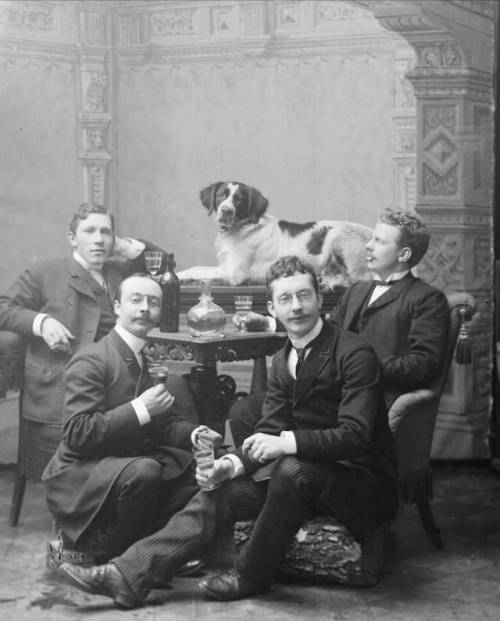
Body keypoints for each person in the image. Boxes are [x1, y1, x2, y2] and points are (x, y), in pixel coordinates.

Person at [56, 255, 397, 609]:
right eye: (285, 299)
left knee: (291, 468)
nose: (296, 308)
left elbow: (355, 436)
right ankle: (128, 575)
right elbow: (268, 430)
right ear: (271, 307)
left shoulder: (355, 352)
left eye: (303, 296)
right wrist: (230, 465)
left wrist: (284, 443)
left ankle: (250, 575)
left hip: (363, 483)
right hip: (308, 477)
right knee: (223, 490)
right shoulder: (284, 359)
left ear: (319, 299)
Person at [229, 207, 450, 446]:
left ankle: (304, 475)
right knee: (244, 411)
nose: (368, 245)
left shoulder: (426, 299)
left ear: (403, 254)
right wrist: (269, 322)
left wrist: (359, 368)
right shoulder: (357, 290)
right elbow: (323, 332)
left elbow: (422, 365)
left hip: (371, 403)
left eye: (379, 241)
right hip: (329, 397)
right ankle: (265, 480)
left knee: (272, 420)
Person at [43, 273, 213, 569]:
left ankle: (153, 548)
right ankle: (103, 555)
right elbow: (76, 433)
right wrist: (139, 408)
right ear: (118, 306)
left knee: (201, 469)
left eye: (153, 302)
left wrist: (194, 435)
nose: (145, 308)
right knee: (146, 471)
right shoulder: (93, 359)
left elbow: (163, 424)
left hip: (123, 462)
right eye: (136, 300)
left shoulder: (143, 359)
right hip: (82, 470)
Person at [0, 203, 175, 467]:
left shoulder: (119, 272)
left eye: (105, 233)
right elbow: (3, 307)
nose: (98, 239)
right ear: (72, 238)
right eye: (89, 231)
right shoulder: (45, 273)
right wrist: (42, 322)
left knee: (178, 395)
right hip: (67, 383)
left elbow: (163, 264)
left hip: (118, 380)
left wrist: (124, 247)